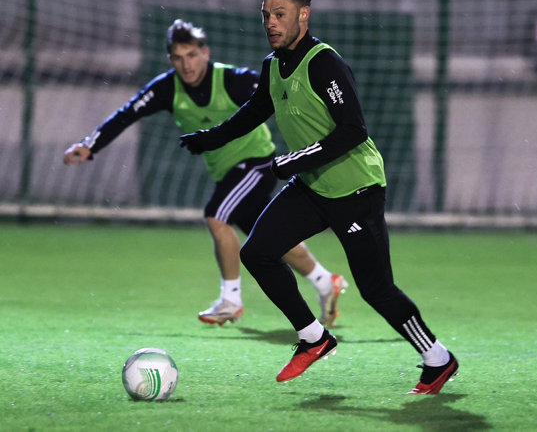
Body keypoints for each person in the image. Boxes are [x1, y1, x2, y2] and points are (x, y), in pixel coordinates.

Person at [179, 0, 458, 394]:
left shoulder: (324, 62)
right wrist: (209, 138)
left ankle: (437, 358)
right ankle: (314, 337)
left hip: (357, 190)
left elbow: (352, 131)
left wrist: (290, 160)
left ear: (303, 16)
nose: (271, 23)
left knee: (376, 290)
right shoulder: (273, 66)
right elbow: (252, 113)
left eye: (280, 15)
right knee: (257, 252)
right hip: (313, 185)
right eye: (266, 16)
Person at [63, 19, 348, 328]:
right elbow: (127, 114)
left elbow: (276, 93)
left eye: (192, 55)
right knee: (270, 237)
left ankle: (231, 300)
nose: (186, 64)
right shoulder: (164, 88)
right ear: (170, 60)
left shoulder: (233, 80)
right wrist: (89, 145)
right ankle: (325, 282)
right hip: (227, 173)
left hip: (256, 163)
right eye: (178, 57)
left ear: (205, 53)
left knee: (217, 216)